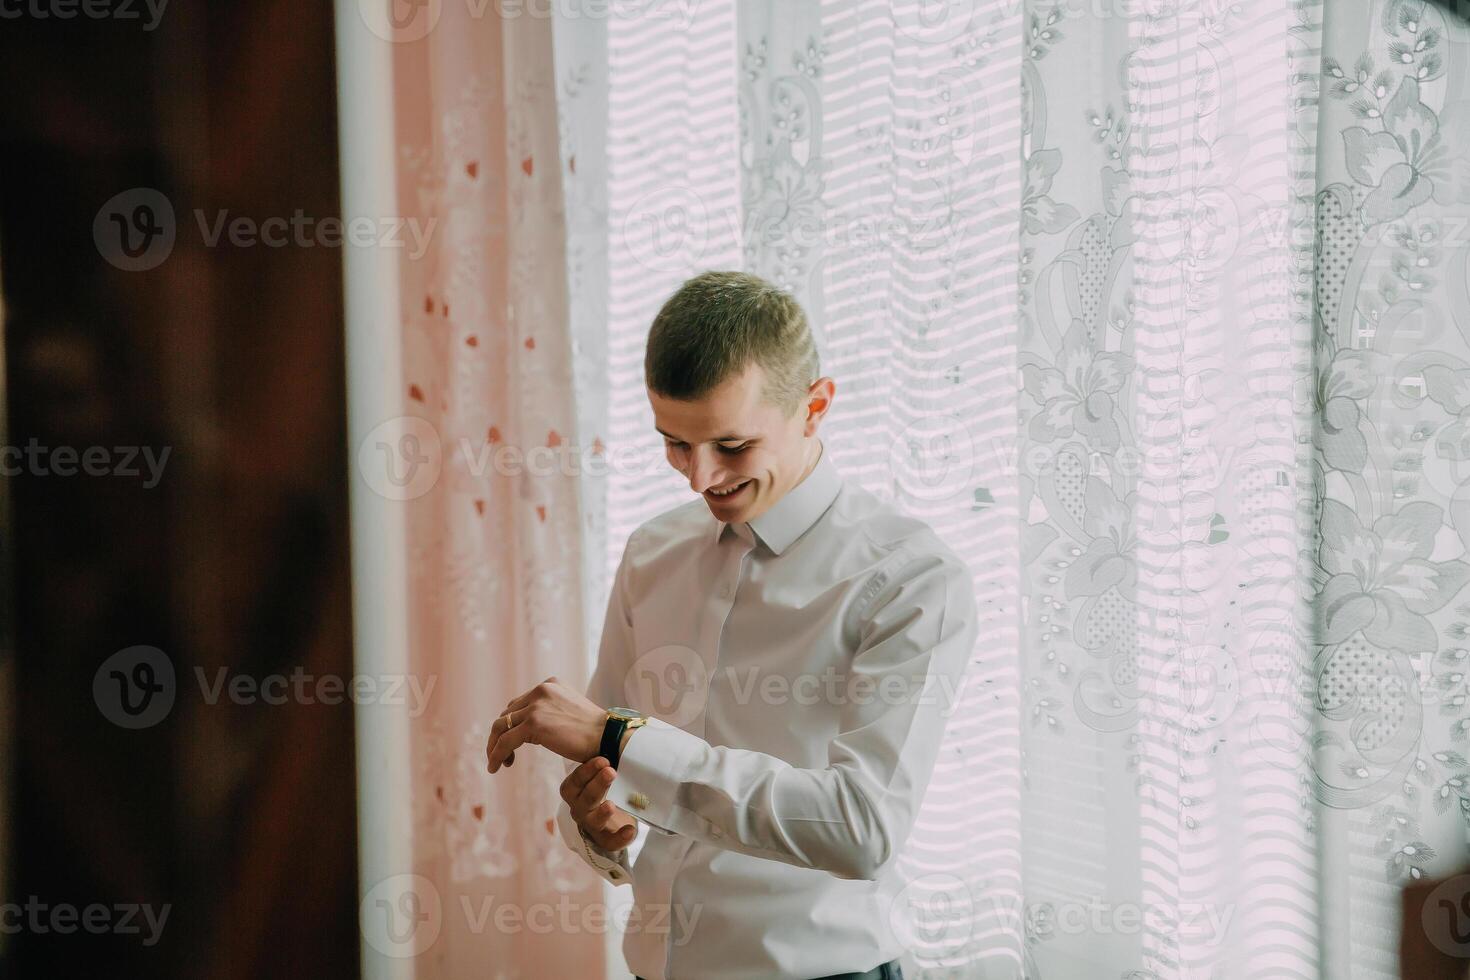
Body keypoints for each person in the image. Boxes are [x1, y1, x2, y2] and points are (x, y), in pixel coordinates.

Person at [485, 270, 978, 980]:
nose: (699, 479)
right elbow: (605, 777)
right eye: (676, 444)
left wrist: (618, 738)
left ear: (815, 407)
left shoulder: (910, 578)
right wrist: (597, 823)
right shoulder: (652, 553)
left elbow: (864, 828)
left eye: (732, 446)